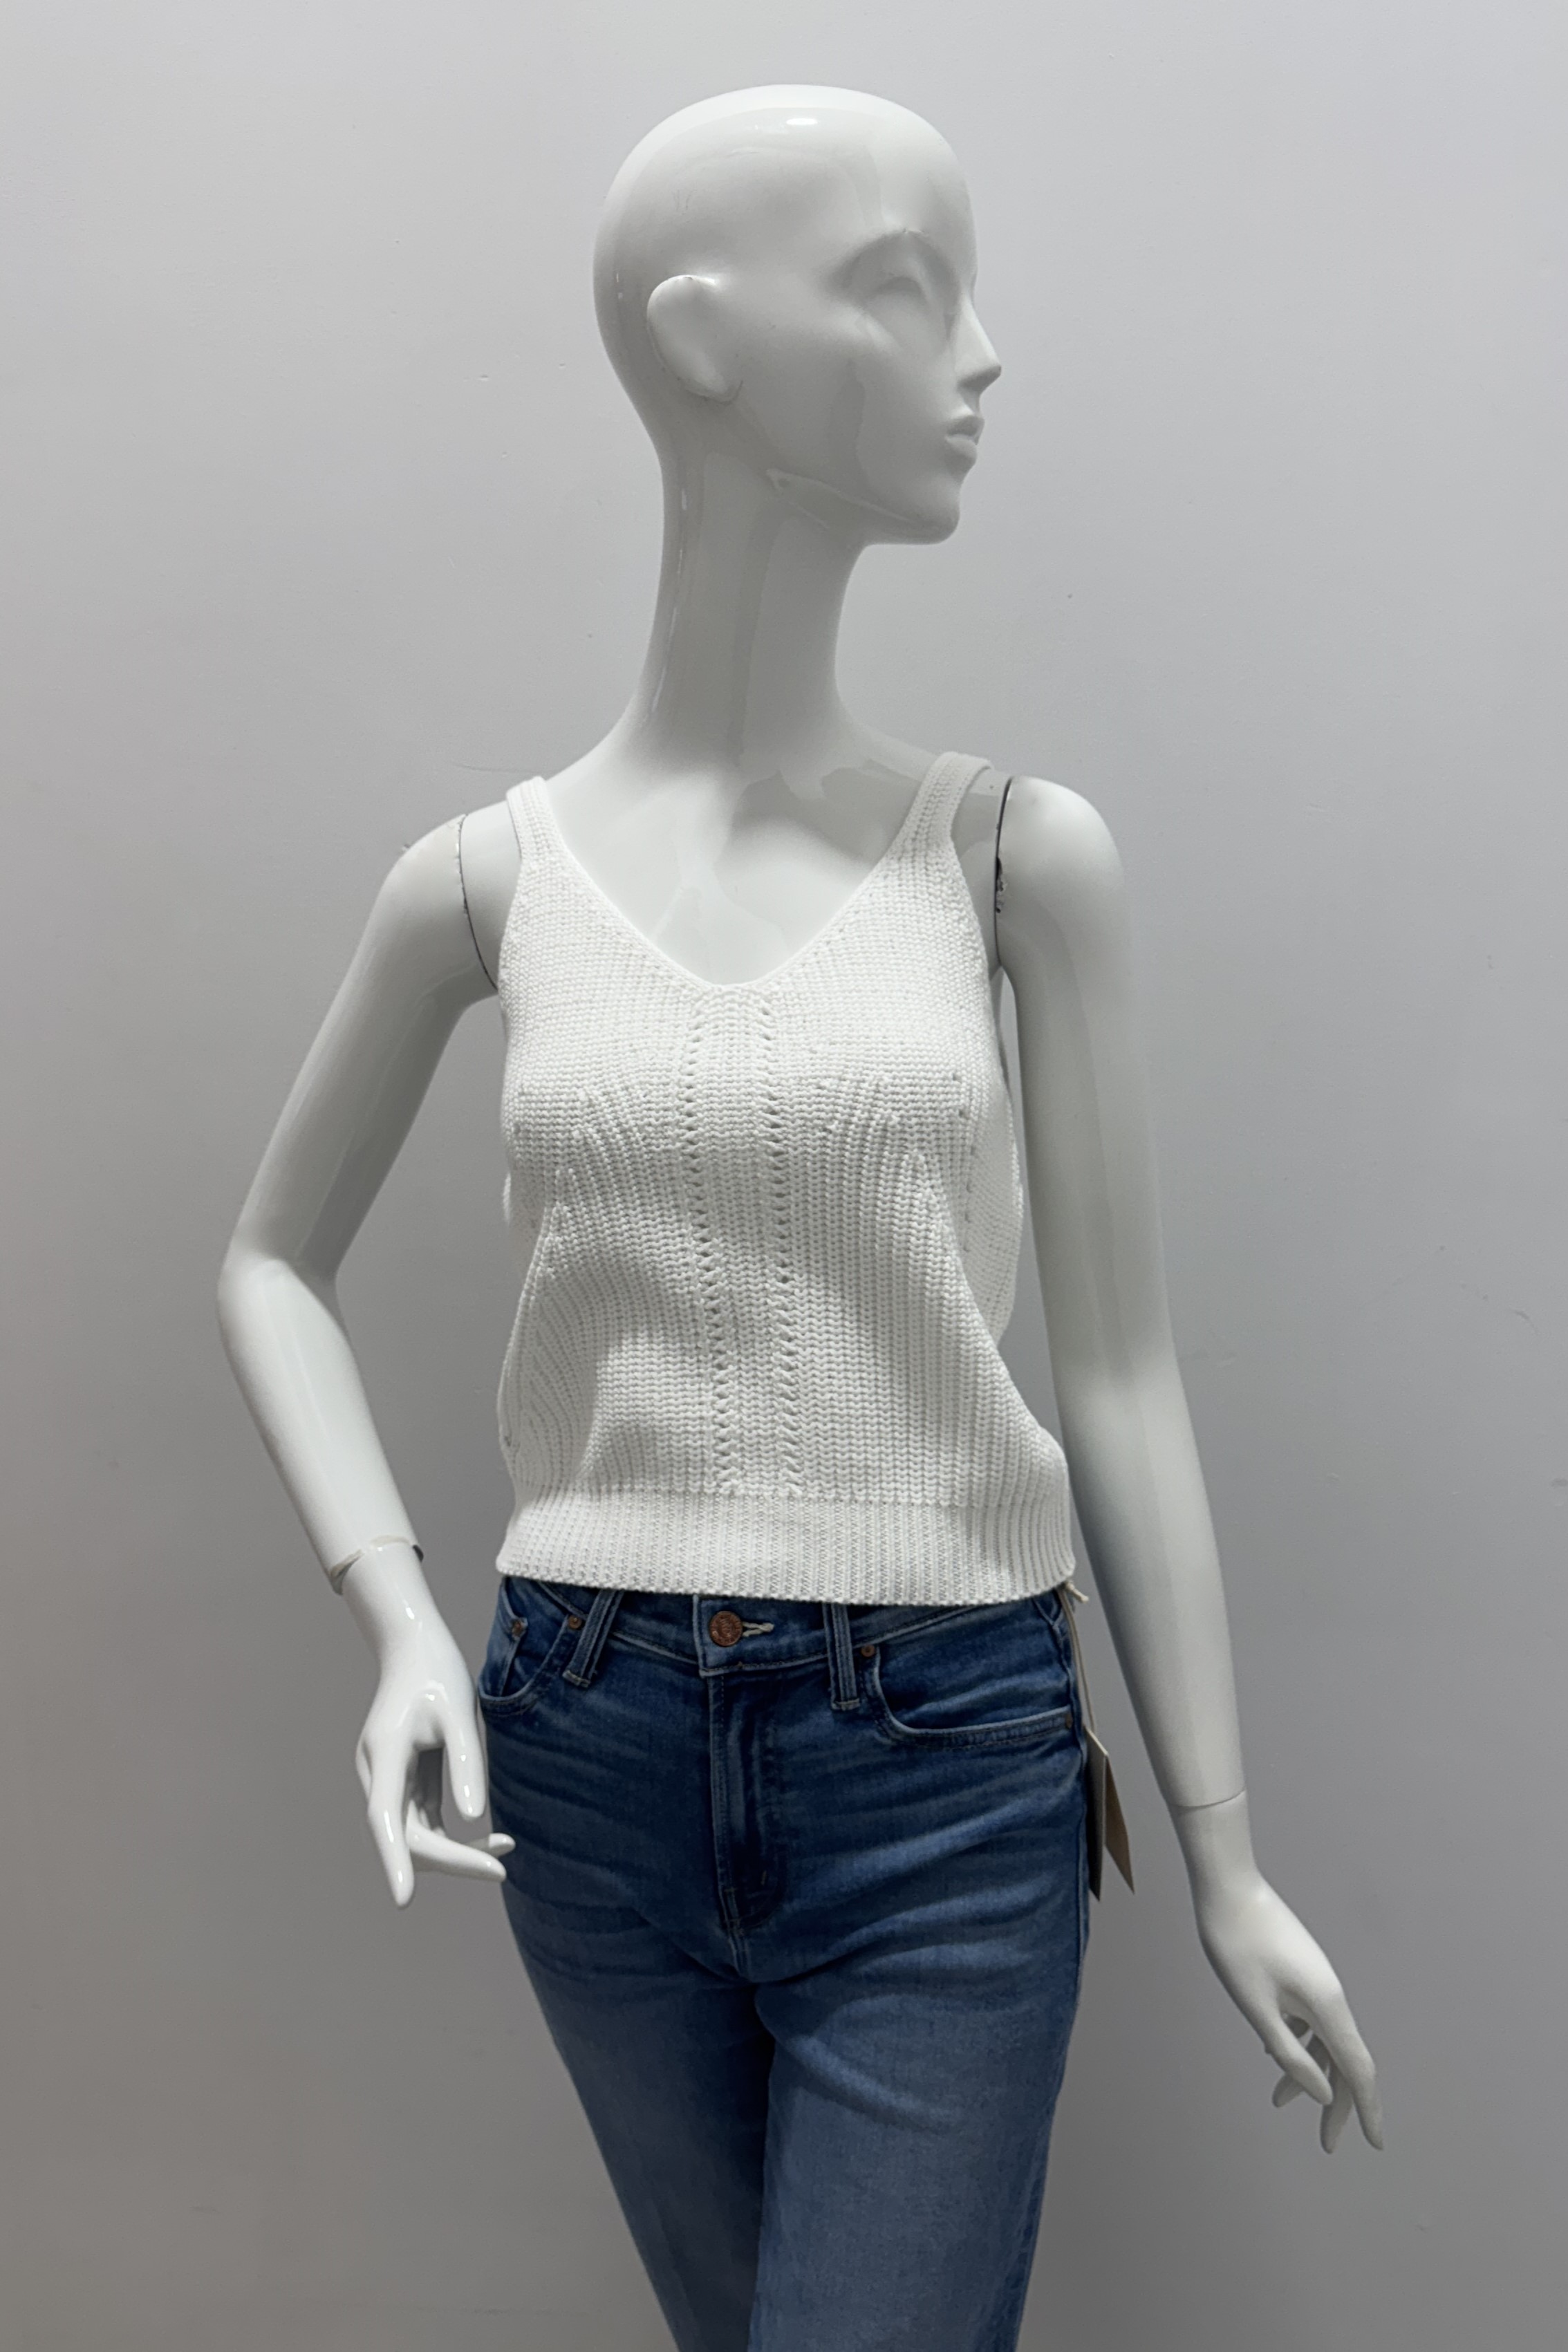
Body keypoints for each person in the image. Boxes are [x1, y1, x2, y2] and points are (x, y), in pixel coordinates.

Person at [218, 84, 1381, 2352]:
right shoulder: (483, 886)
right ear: (702, 341)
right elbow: (269, 1258)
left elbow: (1116, 1372)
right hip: (584, 1741)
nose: (982, 355)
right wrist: (401, 1624)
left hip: (940, 1760)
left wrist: (1221, 1854)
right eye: (902, 290)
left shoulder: (1012, 861)